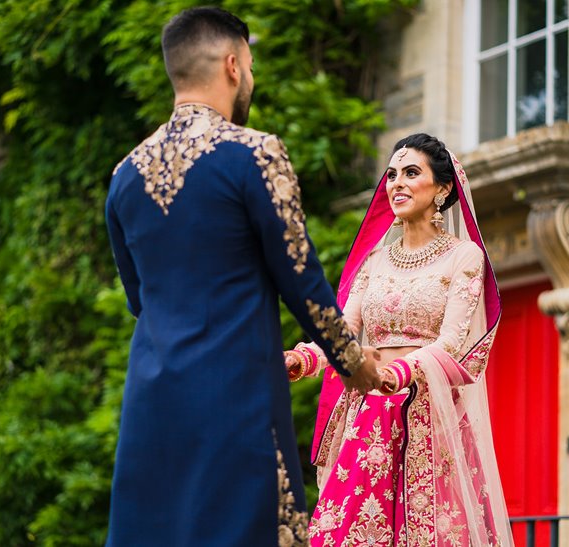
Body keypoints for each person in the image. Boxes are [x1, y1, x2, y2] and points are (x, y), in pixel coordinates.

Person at [104, 7, 382, 546]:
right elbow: (303, 283)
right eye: (250, 65)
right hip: (234, 398)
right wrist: (353, 363)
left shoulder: (124, 177)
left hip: (151, 408)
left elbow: (140, 299)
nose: (250, 77)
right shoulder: (256, 154)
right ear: (233, 65)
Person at [285, 134, 513, 546]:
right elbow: (343, 334)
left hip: (430, 417)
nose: (397, 183)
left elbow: (451, 345)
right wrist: (302, 360)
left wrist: (396, 374)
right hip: (369, 416)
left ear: (443, 189)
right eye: (391, 175)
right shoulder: (374, 262)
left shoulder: (463, 257)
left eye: (411, 173)